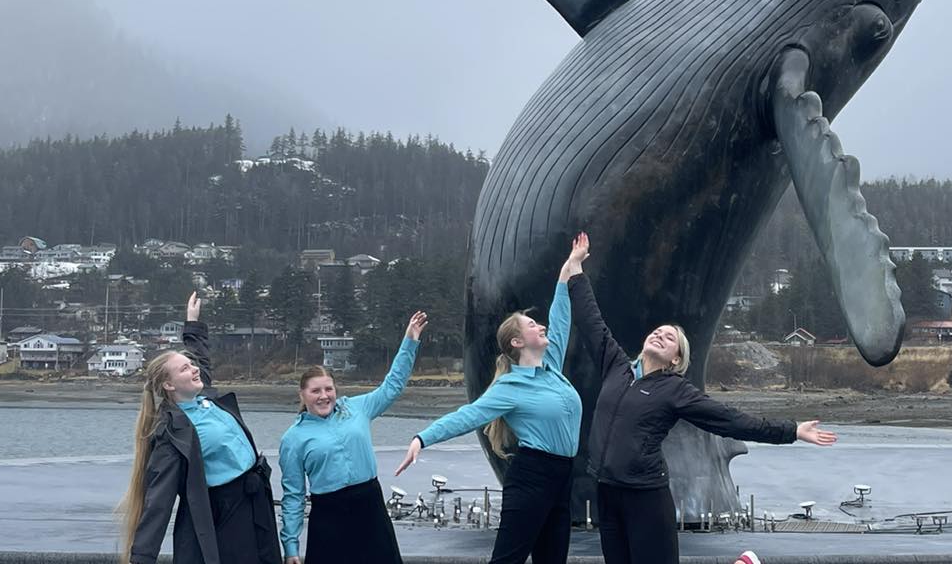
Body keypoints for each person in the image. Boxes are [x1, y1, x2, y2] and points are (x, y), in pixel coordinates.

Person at [565, 232, 837, 564]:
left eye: (670, 338)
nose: (660, 335)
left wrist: (791, 430)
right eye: (658, 331)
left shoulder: (675, 390)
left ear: (676, 360)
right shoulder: (617, 366)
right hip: (606, 492)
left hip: (646, 499)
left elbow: (731, 421)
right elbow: (592, 322)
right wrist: (576, 269)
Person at [394, 237, 589, 564]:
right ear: (517, 341)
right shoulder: (509, 387)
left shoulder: (551, 365)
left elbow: (561, 315)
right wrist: (421, 439)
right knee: (507, 560)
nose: (541, 327)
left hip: (562, 476)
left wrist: (569, 268)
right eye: (531, 325)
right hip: (532, 477)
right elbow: (467, 416)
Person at [118, 290, 281, 564]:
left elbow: (199, 358)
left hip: (255, 500)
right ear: (169, 386)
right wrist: (142, 557)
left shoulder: (205, 397)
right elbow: (159, 500)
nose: (193, 369)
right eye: (184, 369)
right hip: (225, 514)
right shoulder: (172, 432)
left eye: (190, 365)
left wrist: (192, 322)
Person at [278, 310, 428, 564]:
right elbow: (293, 495)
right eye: (315, 391)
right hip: (329, 517)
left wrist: (410, 341)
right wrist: (290, 546)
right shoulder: (293, 439)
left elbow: (392, 385)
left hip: (370, 508)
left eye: (329, 389)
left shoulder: (357, 408)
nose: (324, 396)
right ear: (302, 394)